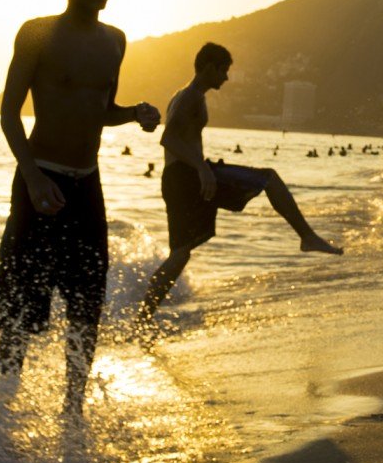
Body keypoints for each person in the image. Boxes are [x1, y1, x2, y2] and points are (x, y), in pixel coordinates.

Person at [0, 0, 159, 414]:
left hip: (87, 185)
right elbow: (9, 113)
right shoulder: (38, 32)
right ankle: (0, 408)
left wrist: (134, 114)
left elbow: (101, 110)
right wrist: (30, 176)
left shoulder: (116, 41)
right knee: (20, 310)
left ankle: (73, 412)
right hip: (40, 179)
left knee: (88, 302)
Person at [138, 43, 339, 318]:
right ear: (209, 67)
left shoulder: (183, 95)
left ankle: (143, 318)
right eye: (224, 70)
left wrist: (201, 167)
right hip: (187, 177)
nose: (226, 78)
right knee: (268, 178)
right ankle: (307, 237)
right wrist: (203, 169)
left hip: (179, 179)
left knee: (180, 253)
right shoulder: (191, 98)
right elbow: (168, 138)